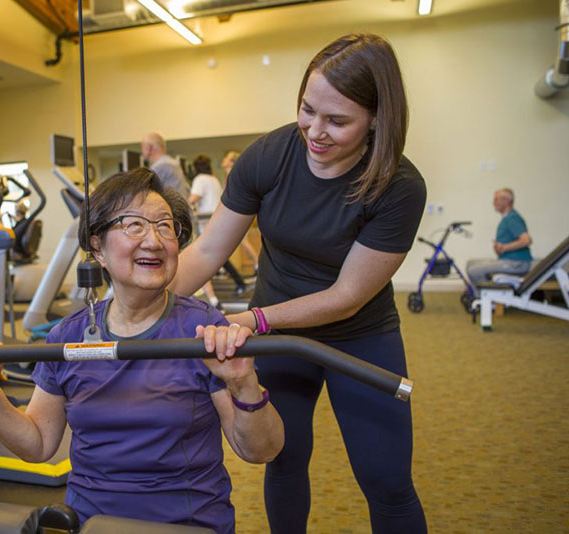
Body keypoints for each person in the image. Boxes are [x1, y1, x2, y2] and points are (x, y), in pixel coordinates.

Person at [172, 33, 428, 533]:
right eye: (307, 109)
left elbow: (346, 297)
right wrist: (135, 305)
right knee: (284, 458)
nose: (315, 130)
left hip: (359, 334)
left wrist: (254, 319)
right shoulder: (268, 156)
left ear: (378, 118)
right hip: (279, 330)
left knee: (387, 479)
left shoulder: (400, 186)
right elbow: (205, 251)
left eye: (337, 120)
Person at [0, 168, 284, 534]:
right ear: (97, 247)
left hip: (186, 526)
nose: (154, 241)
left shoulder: (203, 330)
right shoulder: (69, 336)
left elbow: (261, 451)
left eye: (164, 226)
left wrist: (244, 385)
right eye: (135, 226)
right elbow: (38, 444)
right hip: (93, 525)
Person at [188, 154, 246, 307]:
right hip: (218, 222)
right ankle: (240, 283)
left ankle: (213, 300)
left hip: (206, 223)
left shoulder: (199, 179)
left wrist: (181, 207)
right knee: (219, 258)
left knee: (202, 259)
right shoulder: (213, 179)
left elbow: (193, 199)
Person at [466, 188, 532, 290]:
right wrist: (499, 248)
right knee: (471, 263)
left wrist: (505, 247)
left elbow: (526, 240)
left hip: (517, 263)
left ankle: (485, 300)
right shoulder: (506, 218)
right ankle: (486, 298)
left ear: (506, 201)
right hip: (510, 261)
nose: (493, 202)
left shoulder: (512, 218)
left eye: (496, 199)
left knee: (474, 271)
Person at [221, 150, 259, 275]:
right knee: (241, 242)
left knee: (243, 242)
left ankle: (257, 265)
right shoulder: (230, 174)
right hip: (236, 212)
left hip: (238, 213)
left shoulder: (232, 174)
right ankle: (256, 265)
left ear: (231, 162)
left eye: (226, 158)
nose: (224, 160)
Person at [141, 132, 190, 197]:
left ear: (149, 148)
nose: (142, 151)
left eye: (143, 147)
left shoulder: (161, 166)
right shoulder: (173, 163)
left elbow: (144, 192)